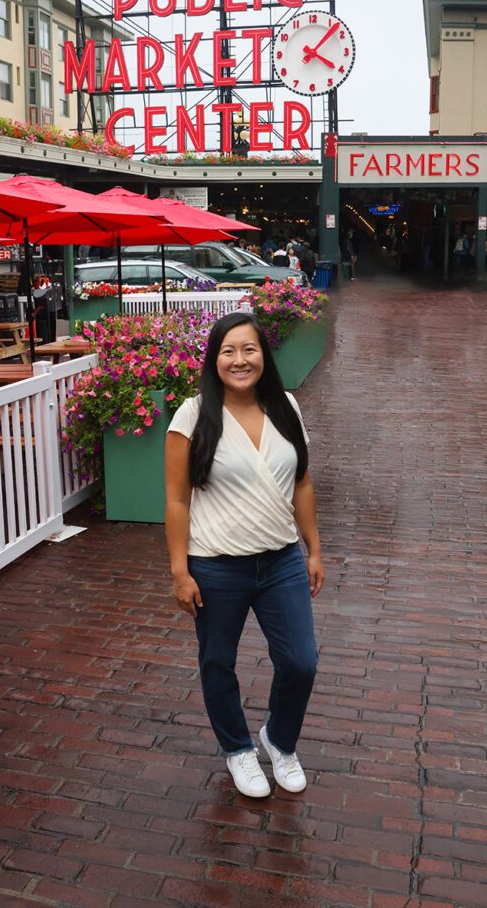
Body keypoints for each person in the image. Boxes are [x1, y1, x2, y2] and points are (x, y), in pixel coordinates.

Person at [165, 312, 324, 798]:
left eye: (249, 349)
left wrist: (314, 549)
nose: (240, 360)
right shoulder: (192, 416)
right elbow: (176, 499)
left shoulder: (287, 408)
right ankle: (237, 749)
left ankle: (279, 739)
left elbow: (301, 482)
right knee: (218, 661)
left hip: (281, 561)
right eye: (228, 351)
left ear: (263, 355)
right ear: (214, 359)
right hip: (215, 564)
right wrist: (179, 570)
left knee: (301, 662)